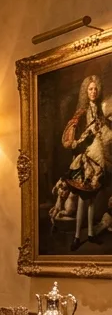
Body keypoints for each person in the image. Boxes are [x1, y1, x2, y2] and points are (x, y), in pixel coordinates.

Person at [59, 74, 112, 249]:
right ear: (86, 91)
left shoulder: (101, 110)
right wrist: (79, 142)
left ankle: (89, 233)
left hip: (99, 158)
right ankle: (76, 236)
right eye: (90, 89)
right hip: (85, 157)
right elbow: (72, 135)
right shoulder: (82, 112)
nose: (93, 91)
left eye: (96, 88)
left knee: (91, 199)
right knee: (83, 198)